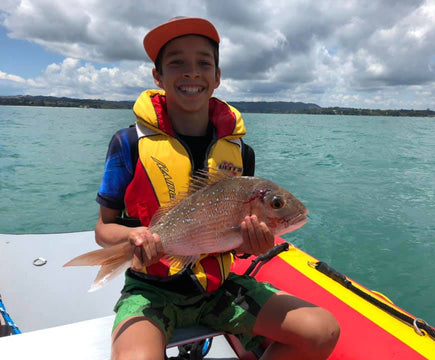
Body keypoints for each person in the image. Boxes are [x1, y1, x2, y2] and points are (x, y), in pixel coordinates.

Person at [95, 17, 340, 360]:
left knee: (323, 329)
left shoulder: (240, 154)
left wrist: (252, 247)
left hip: (219, 288)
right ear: (157, 76)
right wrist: (135, 240)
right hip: (151, 289)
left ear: (217, 77)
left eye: (203, 63)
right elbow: (103, 228)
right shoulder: (128, 144)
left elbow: (233, 247)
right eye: (177, 62)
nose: (192, 72)